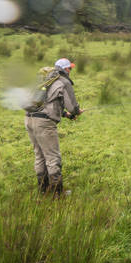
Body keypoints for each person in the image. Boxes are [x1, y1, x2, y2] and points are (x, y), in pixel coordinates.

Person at [25, 57, 83, 197]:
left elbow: (46, 104)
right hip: (44, 124)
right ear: (66, 69)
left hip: (29, 119)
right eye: (70, 68)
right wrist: (76, 112)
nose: (71, 71)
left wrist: (66, 115)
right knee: (53, 158)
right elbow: (72, 106)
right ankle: (57, 193)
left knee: (39, 156)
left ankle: (43, 190)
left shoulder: (45, 79)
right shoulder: (63, 82)